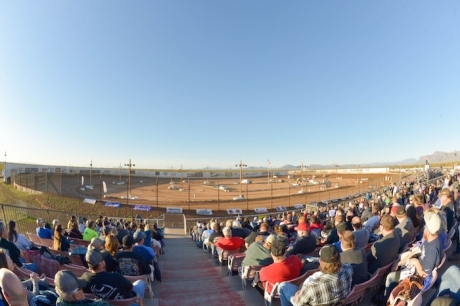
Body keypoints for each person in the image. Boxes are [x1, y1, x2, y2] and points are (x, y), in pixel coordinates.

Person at [383, 211, 442, 301]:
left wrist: (416, 262)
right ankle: (388, 292)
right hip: (415, 268)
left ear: (429, 231)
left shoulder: (432, 249)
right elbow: (416, 251)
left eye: (425, 227)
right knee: (396, 266)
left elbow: (424, 275)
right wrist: (400, 263)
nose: (423, 229)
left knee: (390, 277)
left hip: (418, 276)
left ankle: (385, 300)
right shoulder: (429, 240)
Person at [278, 245, 353, 306]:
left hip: (310, 298)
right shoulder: (348, 269)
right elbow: (344, 265)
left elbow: (298, 303)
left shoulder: (311, 287)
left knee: (282, 286)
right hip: (338, 301)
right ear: (339, 258)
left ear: (320, 261)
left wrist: (298, 295)